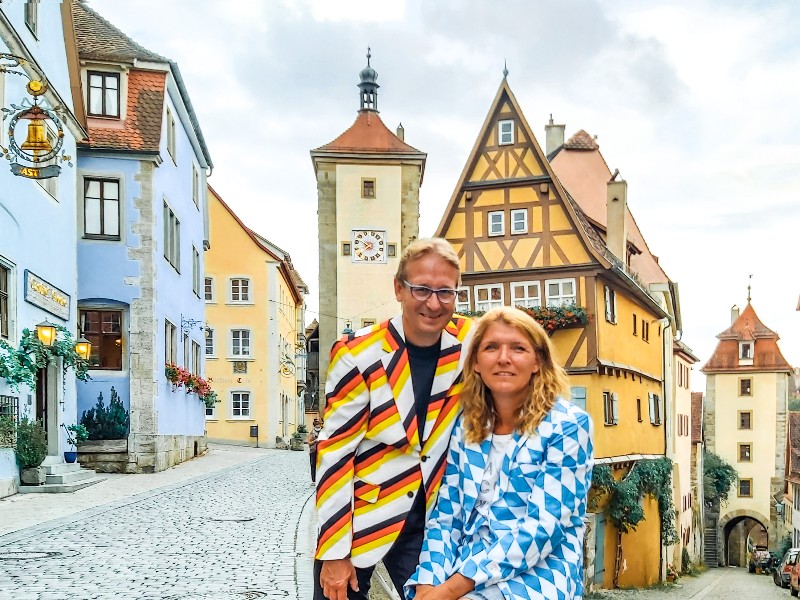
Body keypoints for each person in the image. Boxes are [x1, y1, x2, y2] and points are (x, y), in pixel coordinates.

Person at [314, 238, 475, 600]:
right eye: (421, 289)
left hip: (433, 520)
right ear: (399, 288)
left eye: (445, 292)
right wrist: (335, 552)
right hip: (360, 517)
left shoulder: (470, 341)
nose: (433, 303)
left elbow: (525, 354)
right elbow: (335, 453)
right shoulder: (359, 353)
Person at [406, 306, 594, 600]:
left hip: (538, 574)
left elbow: (542, 529)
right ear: (477, 363)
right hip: (463, 570)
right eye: (491, 347)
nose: (503, 358)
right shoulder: (467, 426)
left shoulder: (567, 426)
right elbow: (446, 518)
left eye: (518, 348)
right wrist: (428, 584)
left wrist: (450, 590)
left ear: (537, 362)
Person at [308, 418, 323, 485]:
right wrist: (315, 441)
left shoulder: (323, 432)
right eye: (317, 426)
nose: (318, 427)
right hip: (313, 450)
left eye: (319, 426)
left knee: (322, 465)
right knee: (313, 465)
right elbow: (309, 443)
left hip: (322, 451)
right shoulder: (311, 433)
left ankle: (321, 479)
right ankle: (313, 480)